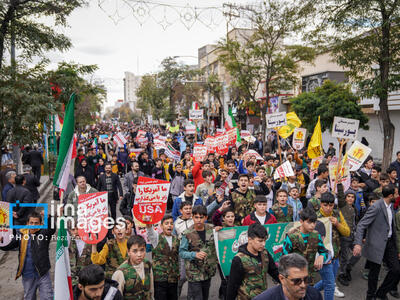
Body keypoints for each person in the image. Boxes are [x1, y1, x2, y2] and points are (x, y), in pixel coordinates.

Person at [353, 185, 400, 300]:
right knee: (374, 273)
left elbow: (391, 227)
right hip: (376, 244)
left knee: (396, 270)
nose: (398, 195)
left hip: (389, 243)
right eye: (396, 193)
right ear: (390, 196)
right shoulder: (376, 207)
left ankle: (381, 293)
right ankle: (371, 296)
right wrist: (358, 243)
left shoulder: (391, 206)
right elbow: (361, 225)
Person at [227, 223, 280, 300]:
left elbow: (274, 271)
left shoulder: (265, 253)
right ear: (250, 239)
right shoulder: (239, 259)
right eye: (260, 241)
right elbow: (232, 286)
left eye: (265, 241)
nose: (263, 244)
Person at [179, 205, 217, 300]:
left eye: (201, 217)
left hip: (208, 271)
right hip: (194, 273)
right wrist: (194, 255)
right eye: (196, 217)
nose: (199, 220)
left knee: (205, 296)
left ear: (206, 218)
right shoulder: (187, 233)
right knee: (197, 297)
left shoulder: (212, 230)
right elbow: (182, 252)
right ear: (192, 217)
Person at [283, 208, 329, 285]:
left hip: (309, 277)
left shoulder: (316, 235)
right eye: (309, 222)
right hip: (295, 278)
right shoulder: (291, 236)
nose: (312, 225)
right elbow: (284, 258)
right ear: (301, 221)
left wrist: (321, 256)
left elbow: (324, 251)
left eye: (314, 222)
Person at [15, 211, 55, 300]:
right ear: (27, 223)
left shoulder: (44, 233)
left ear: (41, 224)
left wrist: (49, 218)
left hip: (43, 274)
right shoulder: (21, 234)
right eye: (31, 222)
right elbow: (10, 244)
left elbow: (51, 229)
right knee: (29, 297)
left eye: (36, 223)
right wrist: (2, 241)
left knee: (48, 297)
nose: (33, 225)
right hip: (27, 275)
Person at [254, 253, 323, 300]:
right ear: (282, 279)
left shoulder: (314, 295)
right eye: (297, 281)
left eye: (306, 279)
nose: (303, 285)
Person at [147, 214, 179, 300]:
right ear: (161, 226)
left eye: (171, 223)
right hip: (160, 279)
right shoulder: (156, 238)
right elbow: (150, 231)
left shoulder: (176, 239)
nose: (169, 225)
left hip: (173, 278)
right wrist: (148, 223)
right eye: (166, 223)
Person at [112, 235, 154, 299]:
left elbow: (151, 289)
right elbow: (117, 297)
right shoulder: (120, 272)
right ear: (128, 252)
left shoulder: (147, 264)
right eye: (135, 251)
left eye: (142, 250)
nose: (139, 255)